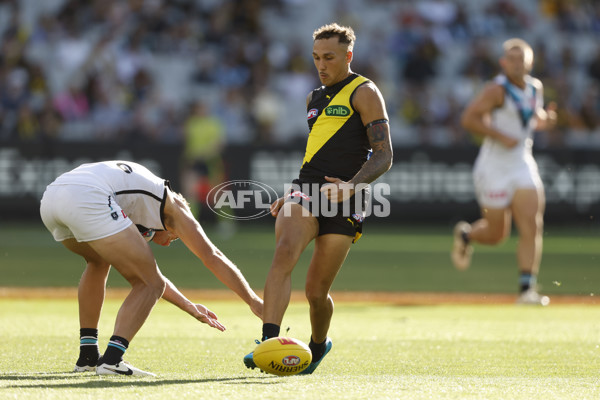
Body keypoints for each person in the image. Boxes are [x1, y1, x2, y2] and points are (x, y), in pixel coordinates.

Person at [243, 23, 393, 374]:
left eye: (329, 57)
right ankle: (268, 342)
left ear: (348, 56)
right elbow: (319, 150)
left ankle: (317, 345)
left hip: (348, 198)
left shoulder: (365, 91)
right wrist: (294, 192)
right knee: (284, 253)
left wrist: (351, 186)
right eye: (315, 58)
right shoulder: (312, 98)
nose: (321, 65)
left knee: (315, 292)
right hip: (306, 191)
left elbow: (384, 155)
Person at [40, 160, 263, 376]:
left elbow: (151, 277)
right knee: (148, 283)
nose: (172, 240)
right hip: (88, 196)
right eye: (175, 238)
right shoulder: (176, 209)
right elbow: (211, 256)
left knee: (98, 262)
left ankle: (88, 355)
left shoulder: (142, 205)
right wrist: (253, 300)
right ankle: (112, 359)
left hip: (51, 199)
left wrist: (188, 305)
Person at [452, 38, 556, 305]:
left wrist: (546, 120)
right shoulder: (496, 90)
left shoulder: (535, 88)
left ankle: (526, 289)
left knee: (532, 225)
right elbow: (469, 118)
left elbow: (531, 118)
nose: (516, 63)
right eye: (511, 58)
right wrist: (499, 135)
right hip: (494, 166)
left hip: (522, 162)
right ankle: (466, 235)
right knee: (497, 234)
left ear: (530, 63)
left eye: (521, 58)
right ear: (503, 62)